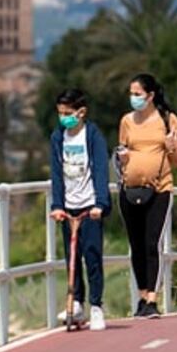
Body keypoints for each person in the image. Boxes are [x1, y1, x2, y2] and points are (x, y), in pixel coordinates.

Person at [116, 73, 177, 318]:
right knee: (135, 245)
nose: (133, 99)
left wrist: (170, 147)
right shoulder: (126, 121)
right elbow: (121, 153)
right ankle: (142, 296)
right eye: (131, 94)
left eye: (138, 94)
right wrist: (122, 158)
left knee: (151, 243)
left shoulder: (167, 120)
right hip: (129, 189)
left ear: (151, 96)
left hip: (159, 189)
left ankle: (153, 300)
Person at [49, 88, 112, 331]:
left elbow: (100, 172)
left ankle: (96, 306)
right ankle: (76, 301)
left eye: (68, 113)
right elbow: (56, 173)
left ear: (81, 112)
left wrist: (100, 204)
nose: (64, 117)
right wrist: (56, 205)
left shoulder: (92, 136)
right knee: (71, 257)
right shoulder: (58, 138)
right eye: (60, 113)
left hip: (90, 205)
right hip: (68, 207)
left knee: (92, 256)